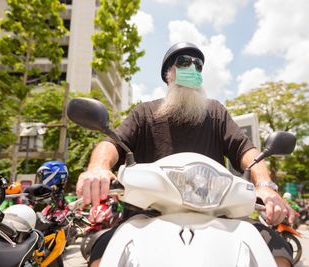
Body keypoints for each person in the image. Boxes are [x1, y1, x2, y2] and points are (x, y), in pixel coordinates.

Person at [77, 42, 295, 267]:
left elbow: (246, 150)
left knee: (277, 251)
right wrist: (98, 168)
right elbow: (111, 143)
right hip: (146, 215)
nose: (192, 68)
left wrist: (266, 186)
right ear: (168, 73)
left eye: (198, 65)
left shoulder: (216, 112)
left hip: (218, 214)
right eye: (183, 62)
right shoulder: (144, 113)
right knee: (103, 253)